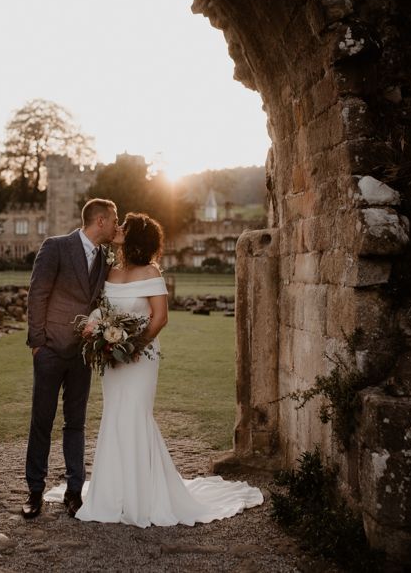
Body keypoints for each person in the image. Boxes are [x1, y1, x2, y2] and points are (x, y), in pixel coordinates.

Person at [44, 212, 262, 526]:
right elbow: (102, 308)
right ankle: (113, 492)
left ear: (134, 237)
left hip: (139, 358)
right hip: (111, 358)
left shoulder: (151, 272)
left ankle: (143, 496)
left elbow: (160, 317)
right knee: (114, 415)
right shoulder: (111, 270)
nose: (118, 229)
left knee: (135, 415)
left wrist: (133, 346)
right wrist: (98, 331)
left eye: (124, 227)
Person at [22, 198, 119, 519]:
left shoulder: (107, 257)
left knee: (75, 423)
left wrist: (121, 242)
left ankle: (74, 492)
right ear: (101, 221)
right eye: (114, 220)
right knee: (42, 421)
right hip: (50, 350)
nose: (117, 225)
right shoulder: (56, 247)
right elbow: (37, 294)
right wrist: (38, 344)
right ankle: (34, 491)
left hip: (82, 353)